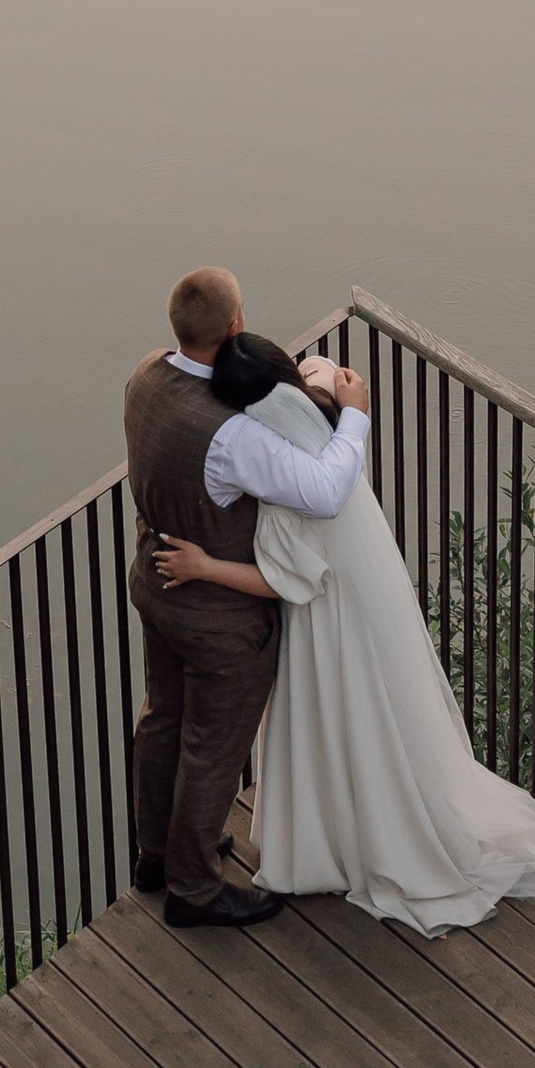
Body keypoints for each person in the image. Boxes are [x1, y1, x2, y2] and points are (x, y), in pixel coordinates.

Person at [154, 329, 535, 937]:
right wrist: (347, 405)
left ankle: (339, 839)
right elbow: (320, 369)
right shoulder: (326, 440)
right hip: (360, 605)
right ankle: (368, 821)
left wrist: (205, 567)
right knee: (369, 719)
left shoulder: (284, 495)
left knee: (337, 719)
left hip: (325, 624)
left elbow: (285, 579)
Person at [123, 266, 371, 931]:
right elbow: (324, 490)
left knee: (162, 719)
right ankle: (195, 887)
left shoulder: (146, 374)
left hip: (154, 582)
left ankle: (155, 856)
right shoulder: (232, 436)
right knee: (212, 745)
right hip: (219, 617)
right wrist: (354, 416)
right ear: (235, 327)